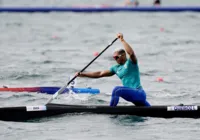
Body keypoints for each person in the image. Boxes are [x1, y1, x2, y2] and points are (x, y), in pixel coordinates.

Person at [76, 33, 150, 107]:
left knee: (116, 90)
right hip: (132, 97)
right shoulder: (116, 68)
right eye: (114, 58)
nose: (115, 59)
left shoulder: (131, 62)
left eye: (116, 57)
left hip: (139, 93)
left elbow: (131, 53)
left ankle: (111, 110)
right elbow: (100, 74)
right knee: (150, 110)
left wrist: (122, 40)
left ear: (123, 55)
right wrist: (82, 74)